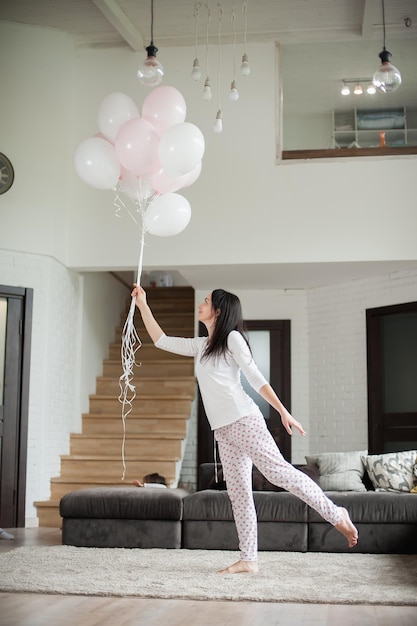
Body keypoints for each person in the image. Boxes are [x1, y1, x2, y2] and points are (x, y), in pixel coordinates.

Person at [131, 285, 358, 574]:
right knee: (238, 493)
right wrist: (144, 305)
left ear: (218, 311)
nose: (200, 304)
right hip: (223, 430)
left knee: (279, 472)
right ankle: (249, 559)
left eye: (206, 301)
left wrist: (283, 411)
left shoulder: (232, 339)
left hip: (244, 420)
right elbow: (161, 340)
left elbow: (255, 377)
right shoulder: (202, 345)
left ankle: (336, 513)